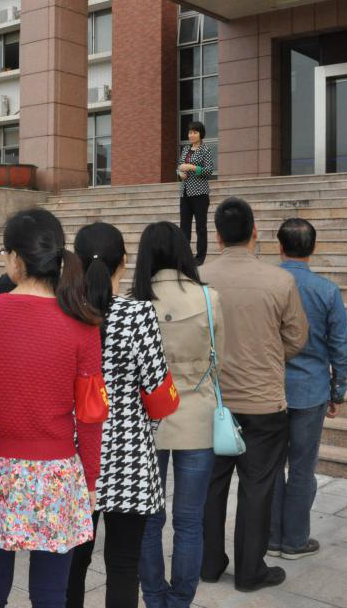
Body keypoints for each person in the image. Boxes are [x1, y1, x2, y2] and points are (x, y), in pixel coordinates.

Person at [0, 208, 105, 608]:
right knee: (49, 595)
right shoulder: (83, 323)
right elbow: (91, 415)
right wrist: (91, 480)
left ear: (15, 258)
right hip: (56, 474)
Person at [198, 198, 309, 592]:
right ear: (255, 233)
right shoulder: (280, 281)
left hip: (213, 403)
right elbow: (297, 337)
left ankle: (209, 563)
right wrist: (268, 355)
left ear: (216, 236)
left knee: (211, 486)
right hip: (263, 402)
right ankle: (250, 572)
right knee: (258, 488)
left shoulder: (199, 278)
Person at [66, 222, 176, 608]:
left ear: (76, 263)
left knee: (72, 565)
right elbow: (159, 392)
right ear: (124, 262)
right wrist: (140, 424)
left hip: (76, 455)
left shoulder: (65, 312)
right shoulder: (139, 314)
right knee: (125, 565)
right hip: (129, 456)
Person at [132, 221, 222, 608]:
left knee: (149, 519)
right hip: (197, 415)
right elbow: (221, 359)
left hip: (147, 420)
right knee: (189, 520)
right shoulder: (209, 298)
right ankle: (180, 600)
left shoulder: (135, 302)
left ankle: (154, 598)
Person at [269, 219, 347, 560]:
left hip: (269, 389)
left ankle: (271, 537)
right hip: (311, 389)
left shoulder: (268, 285)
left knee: (271, 466)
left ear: (279, 246)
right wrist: (338, 390)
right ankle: (295, 540)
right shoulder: (326, 290)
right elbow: (340, 346)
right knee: (302, 468)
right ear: (313, 248)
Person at [177, 121, 216, 265]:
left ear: (201, 134)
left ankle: (200, 258)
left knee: (201, 227)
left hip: (200, 194)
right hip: (185, 193)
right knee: (184, 227)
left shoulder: (205, 150)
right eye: (190, 132)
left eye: (195, 132)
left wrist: (192, 167)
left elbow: (209, 171)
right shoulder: (186, 149)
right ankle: (185, 257)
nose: (191, 135)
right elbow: (179, 167)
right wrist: (180, 173)